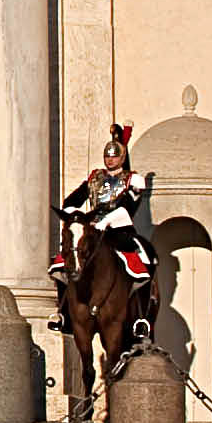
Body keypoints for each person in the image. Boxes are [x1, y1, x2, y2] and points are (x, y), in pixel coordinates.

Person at [58, 125, 158, 359]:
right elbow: (73, 199)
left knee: (143, 264)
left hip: (119, 230)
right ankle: (63, 314)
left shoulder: (132, 180)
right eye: (107, 156)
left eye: (114, 156)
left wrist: (106, 222)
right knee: (62, 264)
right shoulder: (95, 179)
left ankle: (142, 318)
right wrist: (76, 216)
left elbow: (127, 207)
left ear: (122, 158)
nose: (110, 160)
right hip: (92, 229)